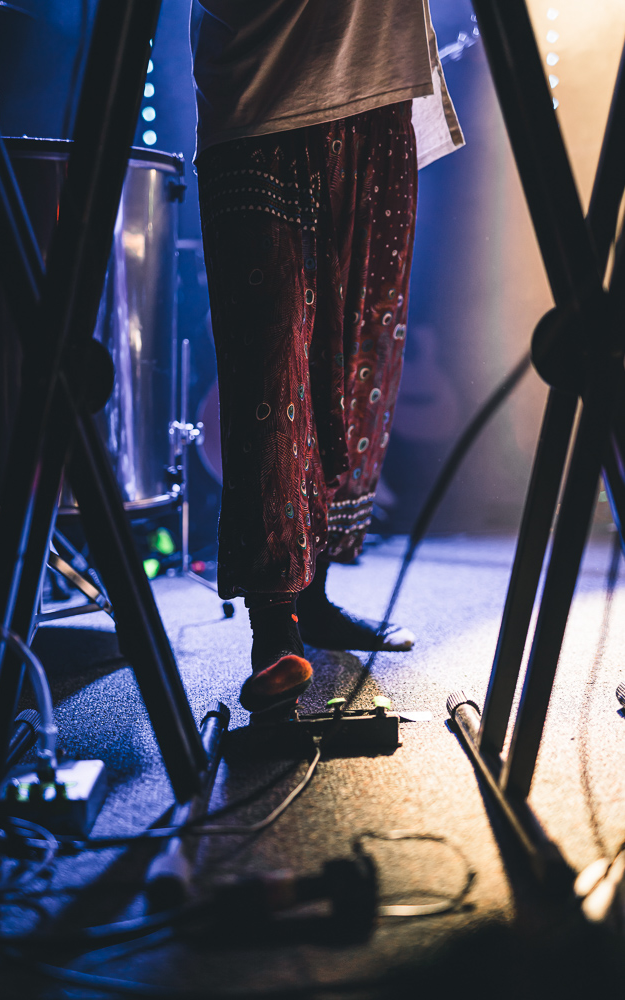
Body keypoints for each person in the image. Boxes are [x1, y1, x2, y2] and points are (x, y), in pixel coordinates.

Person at [190, 0, 463, 715]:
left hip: (376, 95)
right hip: (260, 98)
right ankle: (271, 623)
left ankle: (312, 599)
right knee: (268, 366)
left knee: (356, 367)